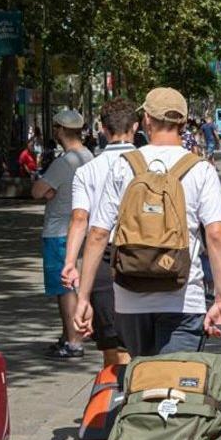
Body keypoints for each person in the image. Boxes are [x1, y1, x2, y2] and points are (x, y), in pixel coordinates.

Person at [73, 87, 221, 357]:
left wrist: (84, 298)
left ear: (146, 119)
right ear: (182, 122)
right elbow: (215, 235)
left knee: (141, 380)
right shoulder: (201, 169)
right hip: (183, 296)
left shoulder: (123, 166)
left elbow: (98, 234)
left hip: (129, 297)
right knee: (173, 388)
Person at [61, 98, 138, 367]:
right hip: (143, 257)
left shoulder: (87, 171)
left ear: (103, 130)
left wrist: (71, 263)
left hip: (103, 261)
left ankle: (116, 400)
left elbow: (80, 218)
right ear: (136, 126)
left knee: (113, 347)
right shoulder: (148, 165)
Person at [32, 110, 93, 359]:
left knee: (65, 288)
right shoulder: (89, 156)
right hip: (83, 230)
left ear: (59, 130)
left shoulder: (64, 162)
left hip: (59, 231)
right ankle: (70, 333)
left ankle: (73, 341)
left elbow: (38, 191)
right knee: (74, 285)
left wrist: (45, 187)